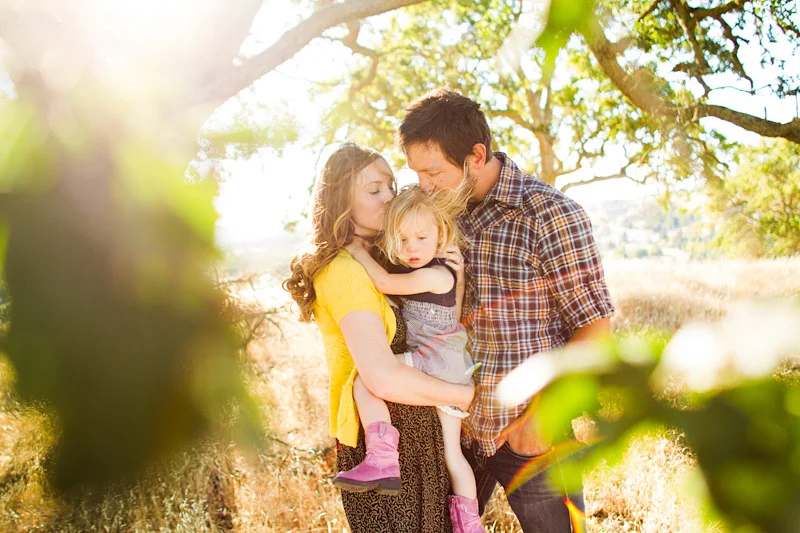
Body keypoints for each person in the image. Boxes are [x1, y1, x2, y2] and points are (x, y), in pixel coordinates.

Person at [397, 89, 615, 533]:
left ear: (476, 156)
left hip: (527, 436)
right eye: (417, 172)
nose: (423, 184)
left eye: (433, 171)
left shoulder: (551, 214)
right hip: (455, 428)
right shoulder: (436, 211)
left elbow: (596, 329)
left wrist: (537, 420)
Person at [283, 142, 474, 532]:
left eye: (391, 185)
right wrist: (464, 395)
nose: (389, 196)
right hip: (385, 449)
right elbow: (381, 378)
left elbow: (441, 326)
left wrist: (456, 276)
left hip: (417, 436)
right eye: (374, 190)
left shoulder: (389, 257)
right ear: (341, 200)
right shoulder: (345, 271)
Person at [340, 185, 486, 532]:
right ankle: (470, 523)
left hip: (437, 362)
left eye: (421, 237)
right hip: (452, 368)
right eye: (402, 239)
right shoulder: (442, 272)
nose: (411, 248)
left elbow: (383, 282)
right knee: (453, 455)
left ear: (442, 234)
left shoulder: (435, 275)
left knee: (367, 380)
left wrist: (357, 251)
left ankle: (382, 457)